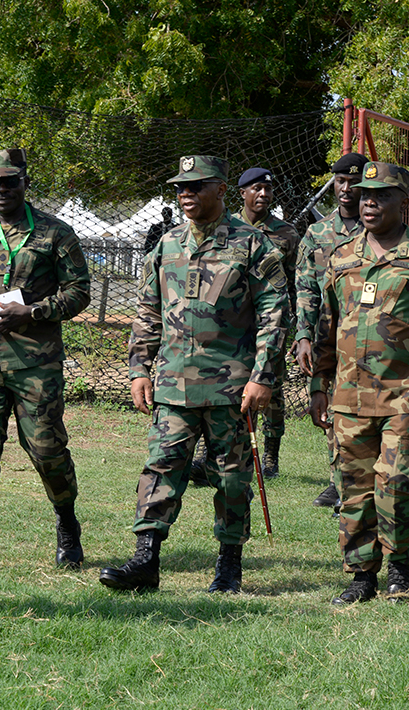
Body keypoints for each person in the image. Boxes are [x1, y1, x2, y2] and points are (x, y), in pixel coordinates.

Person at [99, 155, 287, 594]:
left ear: (221, 189)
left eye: (197, 186)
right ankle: (146, 561)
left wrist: (262, 377)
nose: (186, 193)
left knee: (231, 475)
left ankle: (228, 568)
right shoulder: (166, 245)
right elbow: (147, 310)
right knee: (161, 467)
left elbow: (275, 314)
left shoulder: (253, 245)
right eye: (181, 187)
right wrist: (138, 369)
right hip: (172, 382)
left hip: (232, 387)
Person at [310, 161, 409, 604]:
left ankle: (400, 568)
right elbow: (326, 325)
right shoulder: (341, 256)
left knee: (397, 483)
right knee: (354, 487)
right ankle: (362, 574)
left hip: (404, 395)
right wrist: (318, 388)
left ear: (404, 201)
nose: (369, 202)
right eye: (364, 195)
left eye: (380, 195)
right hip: (347, 396)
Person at [0, 149, 91, 572]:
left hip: (35, 364)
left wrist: (36, 311)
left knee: (46, 450)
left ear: (25, 181)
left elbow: (79, 291)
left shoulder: (55, 233)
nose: (1, 189)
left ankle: (67, 529)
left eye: (10, 181)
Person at [294, 152, 367, 509]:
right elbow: (305, 289)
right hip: (327, 336)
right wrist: (303, 336)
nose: (346, 189)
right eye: (340, 182)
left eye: (354, 182)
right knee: (330, 405)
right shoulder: (317, 234)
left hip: (366, 336)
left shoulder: (377, 230)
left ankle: (361, 480)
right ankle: (338, 480)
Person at [233, 167, 299, 478]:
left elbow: (297, 285)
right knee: (226, 384)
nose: (263, 195)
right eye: (256, 189)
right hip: (232, 323)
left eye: (268, 190)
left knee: (271, 387)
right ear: (242, 193)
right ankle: (215, 453)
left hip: (272, 324)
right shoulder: (227, 228)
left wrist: (298, 330)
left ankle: (270, 458)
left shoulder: (286, 234)